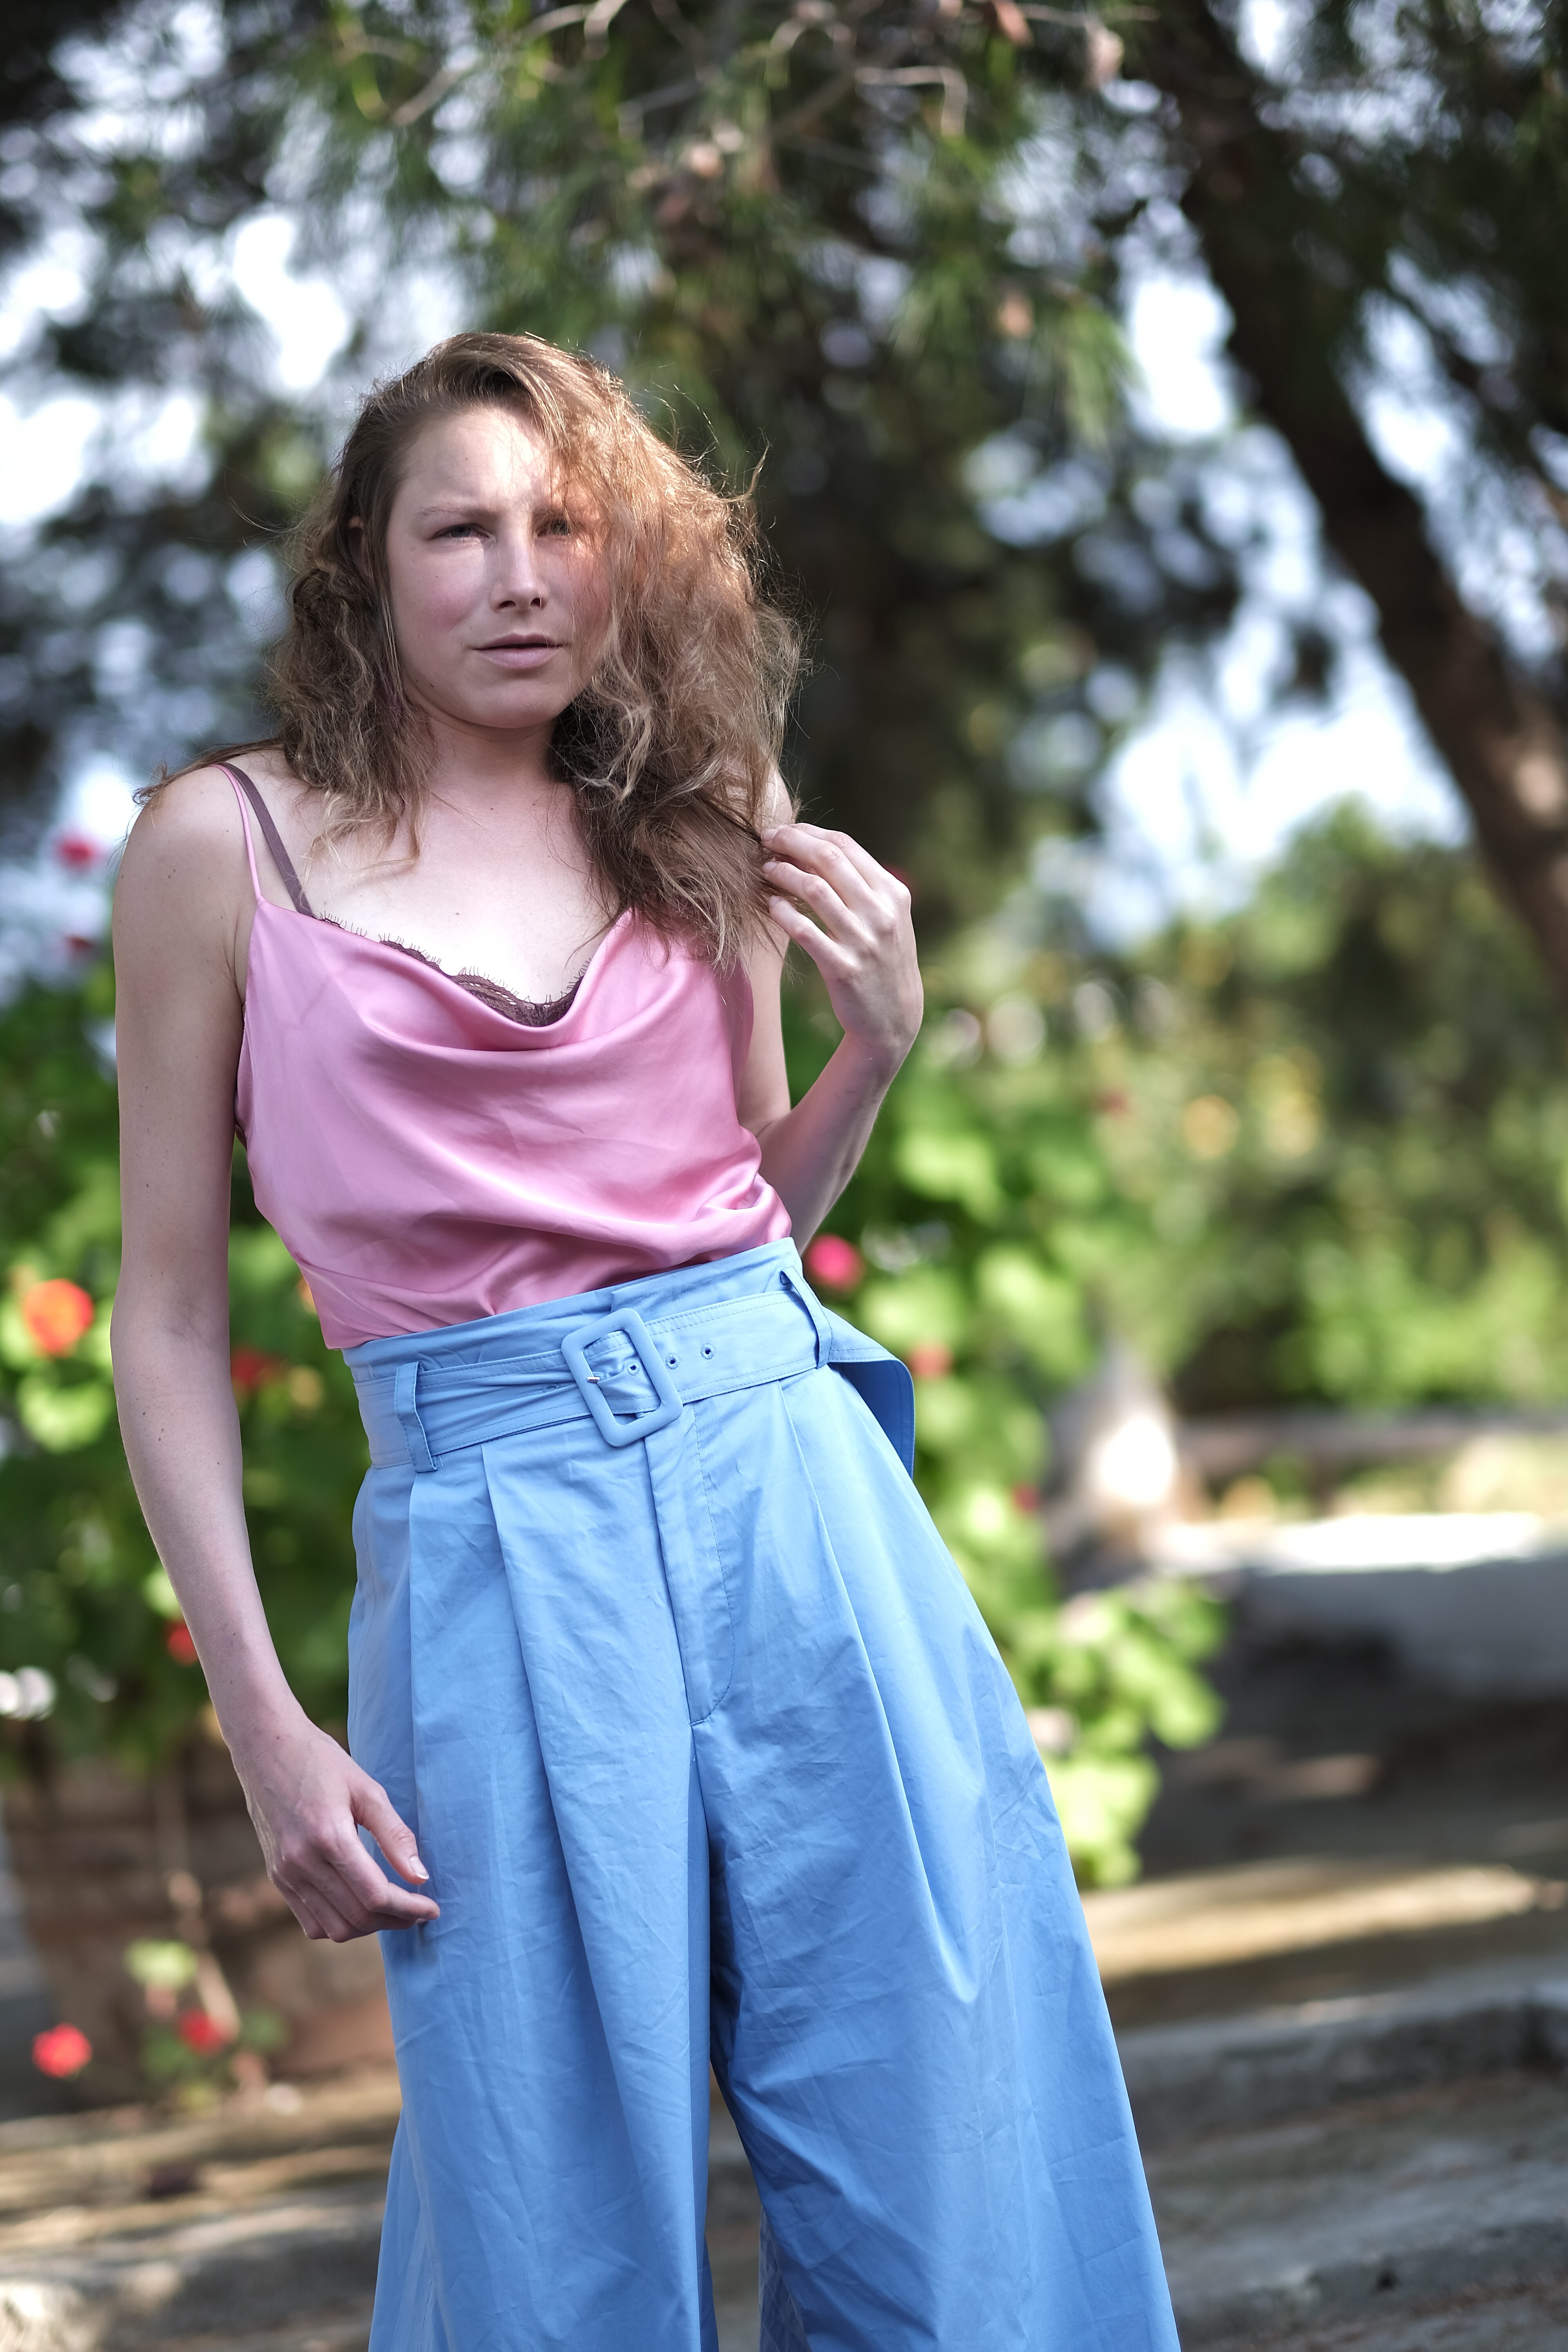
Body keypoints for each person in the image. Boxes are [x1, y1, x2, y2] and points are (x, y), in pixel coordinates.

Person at [111, 331, 1178, 2352]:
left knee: (939, 2152)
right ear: (364, 566)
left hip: (789, 1495)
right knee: (547, 2223)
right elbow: (160, 1312)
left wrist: (876, 1046)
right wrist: (264, 1727)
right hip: (492, 1541)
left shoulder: (702, 807)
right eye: (459, 532)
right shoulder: (217, 849)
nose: (519, 577)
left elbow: (752, 1205)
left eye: (564, 526)